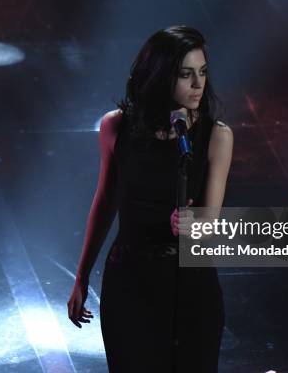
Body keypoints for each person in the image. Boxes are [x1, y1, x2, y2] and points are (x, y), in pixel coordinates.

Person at [67, 26, 233, 372]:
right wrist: (81, 277)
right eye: (186, 75)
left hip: (190, 287)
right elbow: (104, 204)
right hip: (131, 281)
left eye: (202, 73)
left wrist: (193, 225)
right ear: (160, 75)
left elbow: (210, 223)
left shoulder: (216, 136)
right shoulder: (116, 128)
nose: (198, 85)